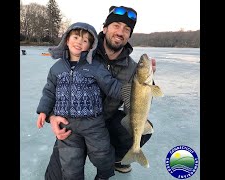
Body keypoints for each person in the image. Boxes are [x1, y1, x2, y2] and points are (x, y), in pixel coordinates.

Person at [44, 5, 157, 180]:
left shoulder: (133, 68)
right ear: (105, 28)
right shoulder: (83, 51)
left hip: (104, 124)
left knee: (143, 130)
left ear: (129, 36)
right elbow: (56, 84)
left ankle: (117, 159)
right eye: (116, 25)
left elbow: (136, 106)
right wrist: (51, 116)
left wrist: (148, 85)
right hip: (73, 123)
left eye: (127, 29)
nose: (120, 32)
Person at [36, 22, 126, 180]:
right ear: (67, 40)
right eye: (76, 37)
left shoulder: (95, 67)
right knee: (70, 165)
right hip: (67, 126)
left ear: (90, 47)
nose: (79, 42)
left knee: (102, 155)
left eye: (85, 41)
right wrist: (44, 111)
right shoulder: (56, 68)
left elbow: (112, 87)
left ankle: (104, 175)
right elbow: (49, 91)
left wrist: (137, 88)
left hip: (93, 124)